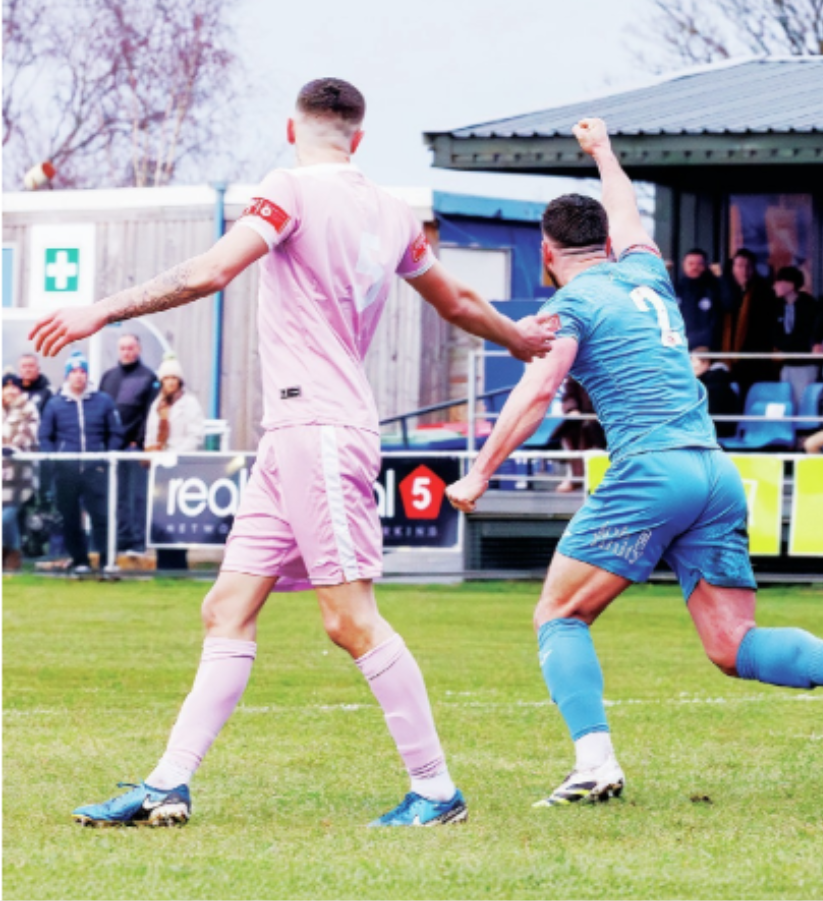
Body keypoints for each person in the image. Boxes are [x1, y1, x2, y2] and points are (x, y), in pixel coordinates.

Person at [35, 77, 559, 828]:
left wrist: (103, 308)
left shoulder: (288, 188)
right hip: (296, 434)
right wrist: (520, 338)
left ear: (292, 129)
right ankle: (166, 784)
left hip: (319, 426)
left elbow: (214, 270)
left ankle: (438, 790)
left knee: (349, 620)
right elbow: (456, 303)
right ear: (360, 136)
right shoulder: (392, 211)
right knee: (226, 607)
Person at [444, 118, 823, 808]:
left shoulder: (570, 303)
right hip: (714, 472)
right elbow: (629, 212)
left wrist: (481, 469)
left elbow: (539, 388)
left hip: (650, 472)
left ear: (546, 252)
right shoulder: (647, 272)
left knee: (558, 613)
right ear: (608, 244)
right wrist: (604, 152)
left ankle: (594, 762)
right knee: (733, 645)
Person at [37, 356, 120, 577]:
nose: (78, 375)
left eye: (82, 371)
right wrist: (55, 459)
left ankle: (106, 561)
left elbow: (115, 432)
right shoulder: (55, 403)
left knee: (101, 516)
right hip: (67, 471)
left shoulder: (103, 401)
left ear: (87, 374)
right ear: (67, 375)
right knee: (70, 517)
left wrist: (105, 457)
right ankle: (80, 560)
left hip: (96, 469)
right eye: (73, 371)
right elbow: (45, 436)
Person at [99, 333, 160, 555]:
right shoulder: (108, 377)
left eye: (130, 347)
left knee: (136, 495)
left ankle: (136, 541)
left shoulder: (148, 377)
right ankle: (119, 540)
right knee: (116, 495)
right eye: (122, 348)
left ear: (138, 349)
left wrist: (139, 441)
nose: (126, 352)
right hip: (110, 450)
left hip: (133, 449)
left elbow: (150, 414)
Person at [3, 373, 40, 572]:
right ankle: (10, 554)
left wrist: (13, 448)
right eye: (6, 387)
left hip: (19, 475)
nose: (10, 391)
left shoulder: (28, 409)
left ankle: (12, 552)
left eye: (14, 387)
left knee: (6, 517)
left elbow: (30, 436)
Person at [770, 266, 821, 408]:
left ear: (791, 285)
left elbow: (810, 333)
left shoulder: (809, 305)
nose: (775, 286)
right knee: (786, 401)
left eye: (779, 282)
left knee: (804, 402)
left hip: (804, 364)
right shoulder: (776, 305)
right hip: (785, 365)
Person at [143, 355, 206, 454]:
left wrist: (175, 454)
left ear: (179, 381)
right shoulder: (156, 405)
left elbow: (196, 436)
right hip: (158, 459)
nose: (170, 382)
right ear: (162, 381)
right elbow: (150, 435)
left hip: (183, 460)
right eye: (166, 378)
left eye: (174, 378)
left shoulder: (190, 403)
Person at [675, 249, 724, 351]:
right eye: (691, 263)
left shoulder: (714, 289)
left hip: (705, 350)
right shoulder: (673, 289)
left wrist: (721, 278)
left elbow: (730, 303)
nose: (695, 267)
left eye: (699, 264)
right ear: (683, 265)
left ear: (706, 266)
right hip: (677, 348)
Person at [691, 349, 741, 439]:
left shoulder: (714, 383)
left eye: (692, 360)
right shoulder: (716, 380)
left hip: (715, 431)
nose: (689, 365)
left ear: (705, 363)